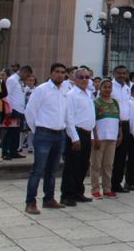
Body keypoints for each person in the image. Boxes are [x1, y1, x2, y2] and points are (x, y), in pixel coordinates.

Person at [24, 63, 68, 215]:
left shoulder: (65, 90)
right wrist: (37, 130)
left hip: (59, 134)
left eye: (63, 72)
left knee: (52, 170)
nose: (60, 75)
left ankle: (49, 199)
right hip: (44, 134)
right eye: (57, 72)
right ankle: (30, 202)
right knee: (38, 170)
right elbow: (30, 112)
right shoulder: (41, 90)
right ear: (50, 73)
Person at [60, 67, 95, 206]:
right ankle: (67, 195)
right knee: (72, 166)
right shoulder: (71, 95)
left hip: (87, 133)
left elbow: (89, 116)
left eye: (87, 77)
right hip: (76, 134)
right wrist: (74, 137)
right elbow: (69, 118)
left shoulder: (88, 94)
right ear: (75, 79)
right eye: (81, 77)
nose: (84, 80)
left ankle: (78, 192)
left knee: (82, 165)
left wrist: (91, 134)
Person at [90, 78, 122, 199]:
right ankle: (95, 189)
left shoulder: (115, 102)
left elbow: (118, 120)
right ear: (100, 88)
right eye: (105, 87)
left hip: (112, 138)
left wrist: (120, 134)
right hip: (100, 138)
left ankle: (107, 188)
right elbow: (92, 122)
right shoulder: (96, 103)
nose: (107, 89)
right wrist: (95, 137)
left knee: (108, 164)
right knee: (96, 164)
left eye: (109, 87)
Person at [111, 65, 132, 193]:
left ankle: (117, 183)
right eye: (119, 73)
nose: (122, 76)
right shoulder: (110, 86)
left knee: (122, 156)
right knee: (111, 156)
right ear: (114, 74)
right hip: (113, 123)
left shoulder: (127, 88)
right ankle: (109, 184)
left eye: (124, 73)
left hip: (125, 124)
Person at [3, 65, 32, 160]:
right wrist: (8, 109)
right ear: (24, 72)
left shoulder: (20, 81)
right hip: (13, 109)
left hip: (20, 110)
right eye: (27, 76)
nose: (27, 78)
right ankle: (5, 152)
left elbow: (20, 93)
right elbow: (7, 94)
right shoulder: (12, 80)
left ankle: (13, 151)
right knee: (10, 132)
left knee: (16, 132)